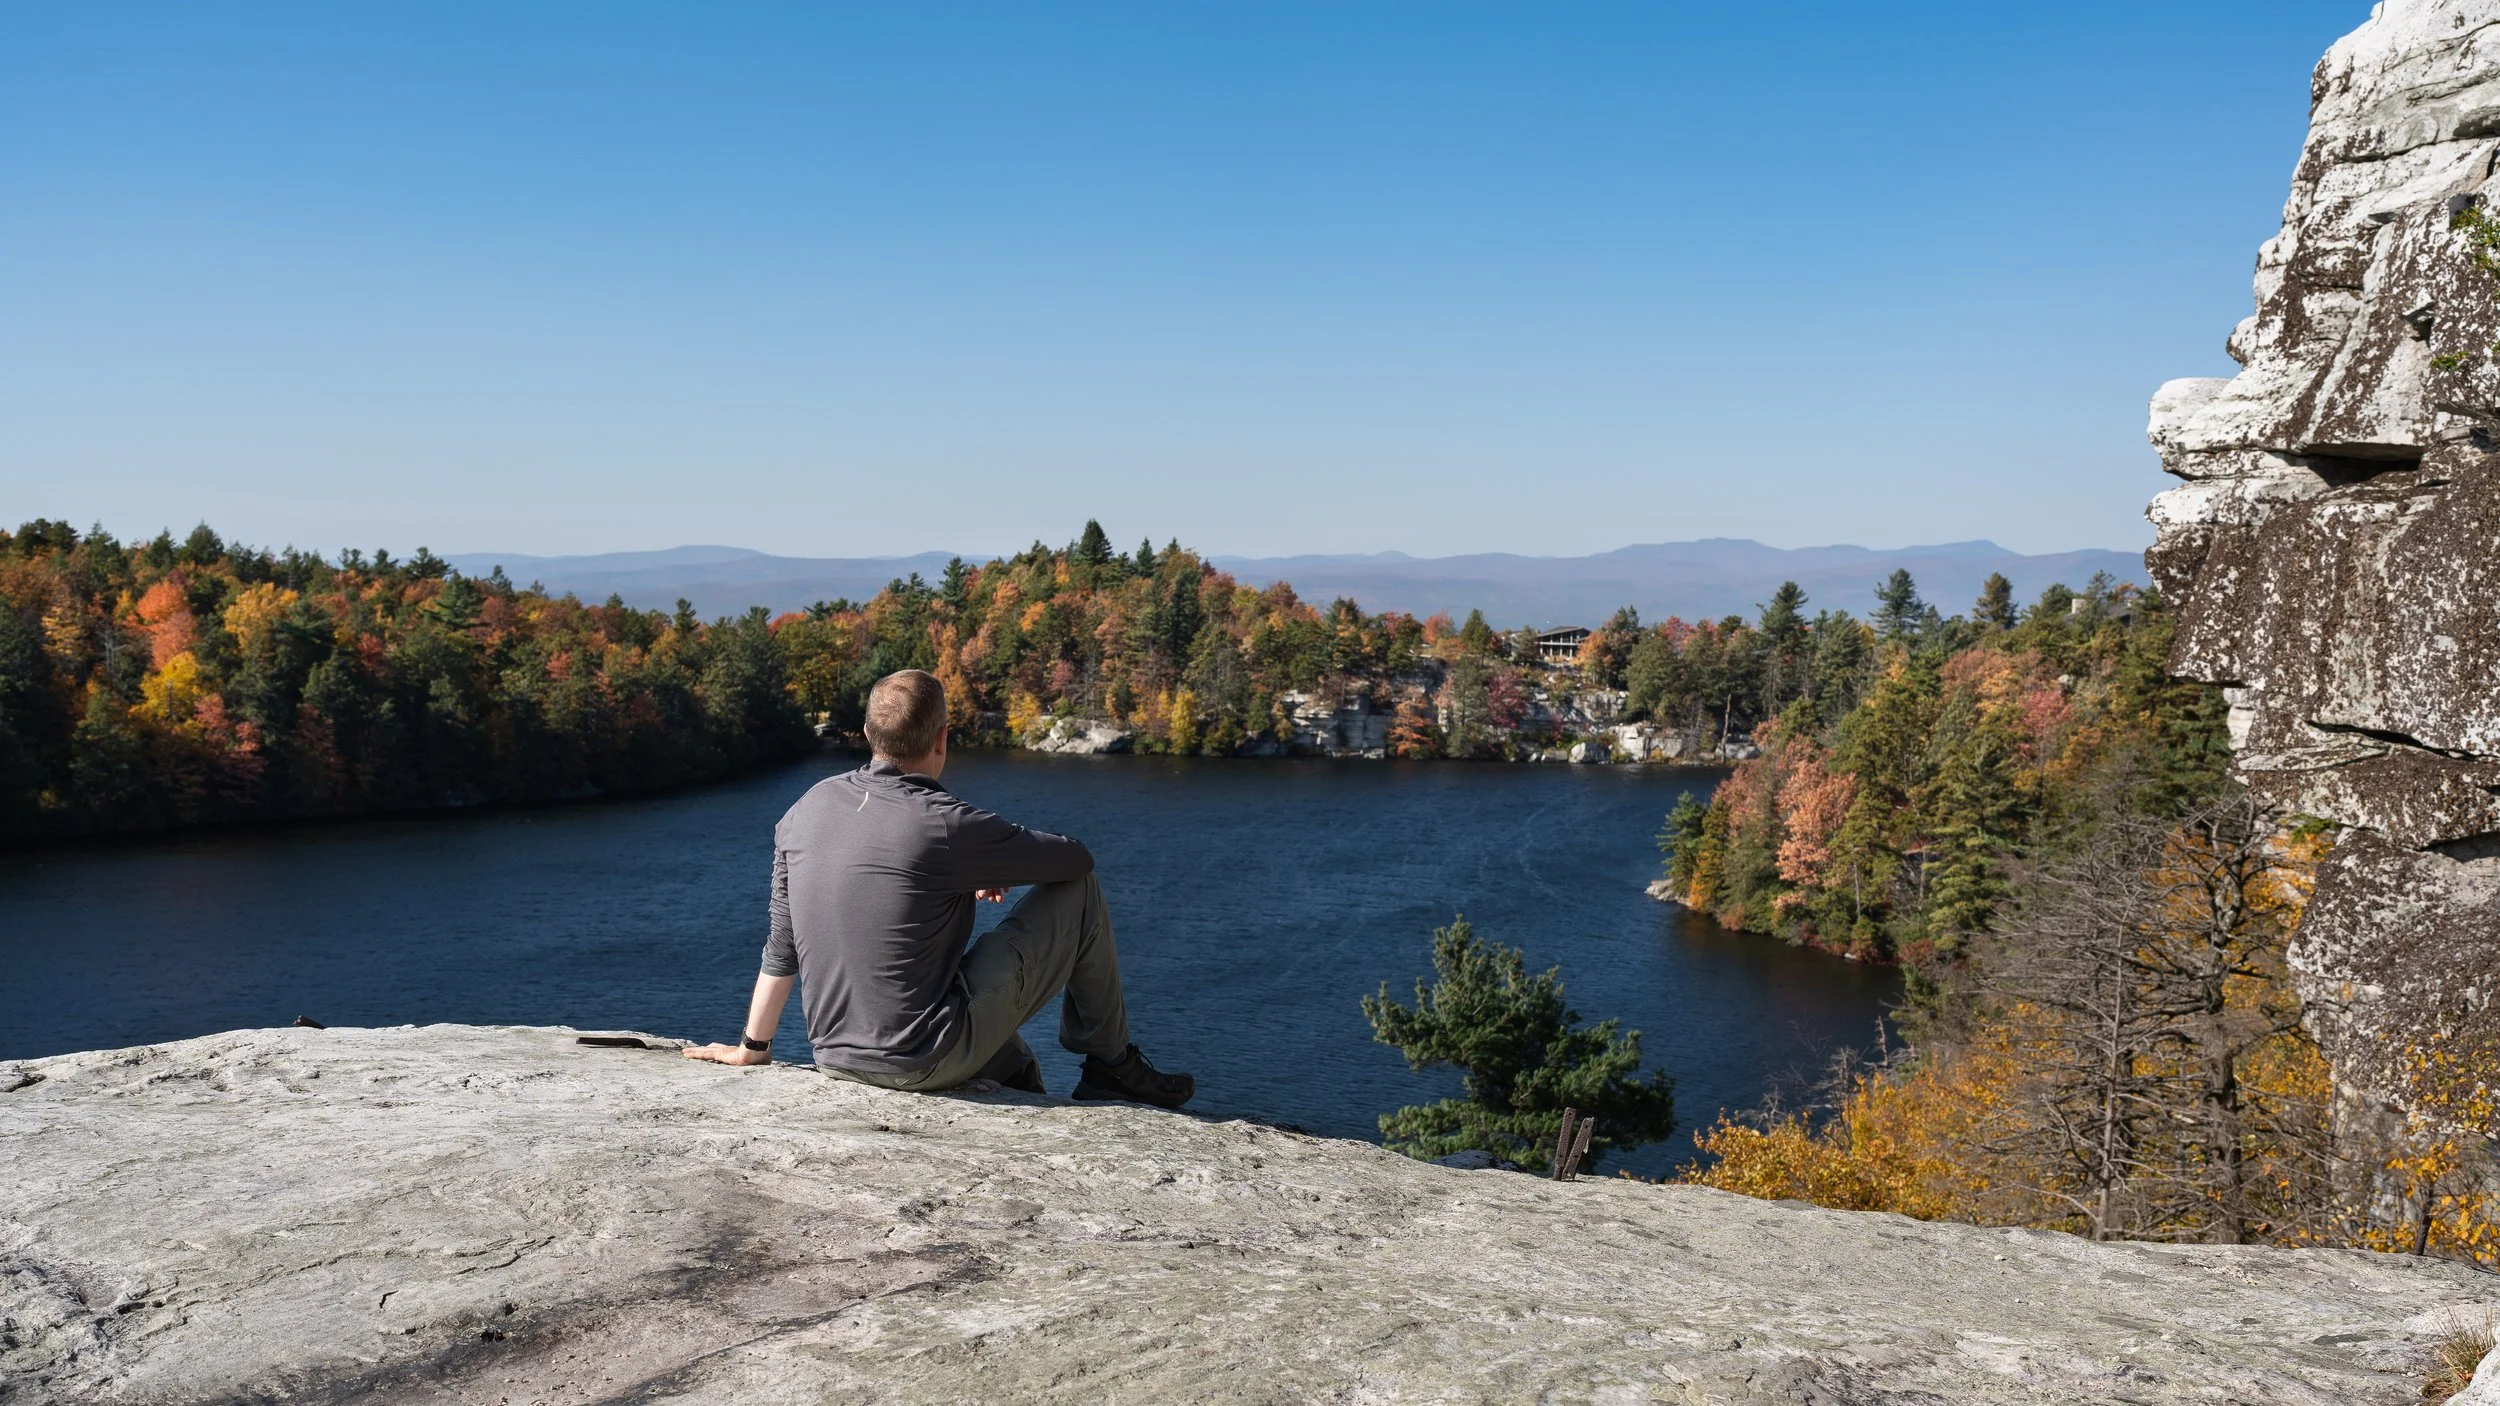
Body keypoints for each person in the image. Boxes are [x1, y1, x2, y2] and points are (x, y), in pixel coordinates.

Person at [683, 668, 1194, 1107]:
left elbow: (783, 943)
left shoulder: (804, 810)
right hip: (919, 1058)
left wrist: (753, 1045)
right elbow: (1076, 857)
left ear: (866, 733)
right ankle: (1112, 1065)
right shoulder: (945, 824)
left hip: (835, 1055)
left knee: (1013, 1059)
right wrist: (993, 865)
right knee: (1079, 891)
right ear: (942, 739)